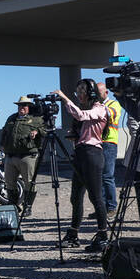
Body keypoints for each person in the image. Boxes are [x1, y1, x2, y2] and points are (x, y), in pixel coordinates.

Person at [53, 79, 109, 252]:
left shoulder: (99, 108)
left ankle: (103, 235)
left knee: (96, 197)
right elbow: (80, 121)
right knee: (75, 196)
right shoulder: (85, 109)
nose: (78, 95)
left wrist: (64, 98)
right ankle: (73, 234)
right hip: (81, 152)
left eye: (81, 91)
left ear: (90, 93)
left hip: (93, 154)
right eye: (77, 91)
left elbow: (81, 116)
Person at [0, 96, 43, 215]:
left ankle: (27, 206)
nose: (21, 108)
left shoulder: (35, 119)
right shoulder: (11, 118)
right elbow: (5, 132)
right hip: (11, 155)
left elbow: (44, 131)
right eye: (19, 105)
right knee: (9, 181)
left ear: (29, 107)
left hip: (27, 155)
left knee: (29, 181)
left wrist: (36, 132)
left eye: (24, 105)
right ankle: (13, 205)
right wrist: (2, 146)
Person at [97, 82, 123, 215]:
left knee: (107, 176)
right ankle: (101, 208)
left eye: (99, 92)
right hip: (97, 143)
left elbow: (109, 115)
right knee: (98, 177)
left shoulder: (113, 104)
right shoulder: (94, 106)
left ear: (106, 92)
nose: (96, 95)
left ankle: (111, 206)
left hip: (109, 142)